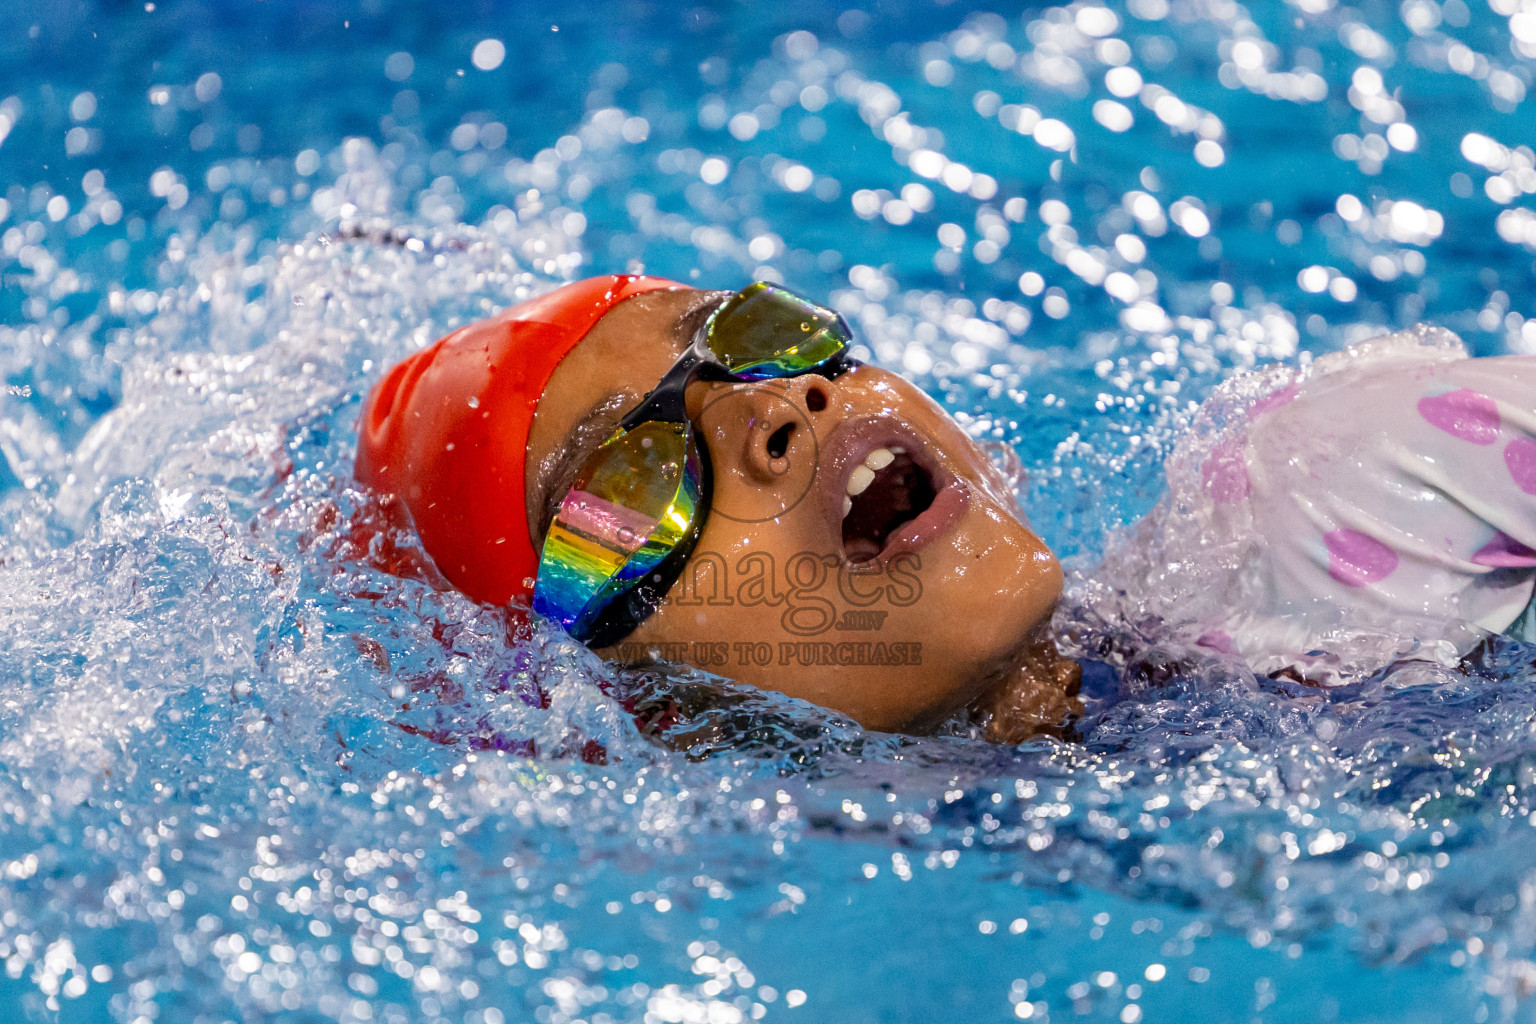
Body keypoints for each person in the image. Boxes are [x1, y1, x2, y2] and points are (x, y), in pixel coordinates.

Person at [354, 276, 1536, 742]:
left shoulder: (1339, 496)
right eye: (630, 484)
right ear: (637, 713)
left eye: (746, 334)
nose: (770, 409)